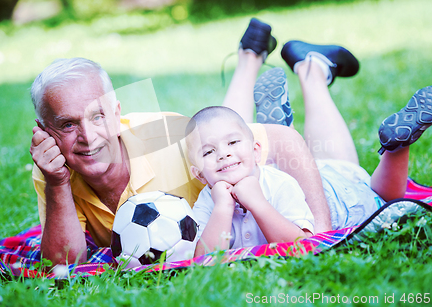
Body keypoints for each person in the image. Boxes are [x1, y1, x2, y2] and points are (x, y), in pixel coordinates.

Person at [29, 19, 332, 265]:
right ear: (45, 132)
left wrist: (321, 237)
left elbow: (285, 141)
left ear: (117, 113)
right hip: (228, 189)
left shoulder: (165, 136)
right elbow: (63, 264)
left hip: (252, 171)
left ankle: (310, 69)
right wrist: (57, 184)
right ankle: (250, 56)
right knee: (222, 134)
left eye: (97, 117)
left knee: (222, 135)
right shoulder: (55, 167)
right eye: (68, 124)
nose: (88, 137)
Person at [230, 19, 432, 231]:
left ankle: (396, 148)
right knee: (352, 180)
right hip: (337, 195)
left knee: (382, 196)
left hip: (314, 197)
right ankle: (303, 72)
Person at [185, 106, 314, 256]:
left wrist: (257, 203)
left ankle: (281, 120)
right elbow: (201, 261)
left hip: (337, 196)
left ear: (255, 151)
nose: (223, 154)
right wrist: (223, 207)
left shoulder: (281, 184)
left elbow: (303, 248)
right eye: (208, 152)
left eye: (232, 142)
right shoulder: (206, 201)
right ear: (200, 175)